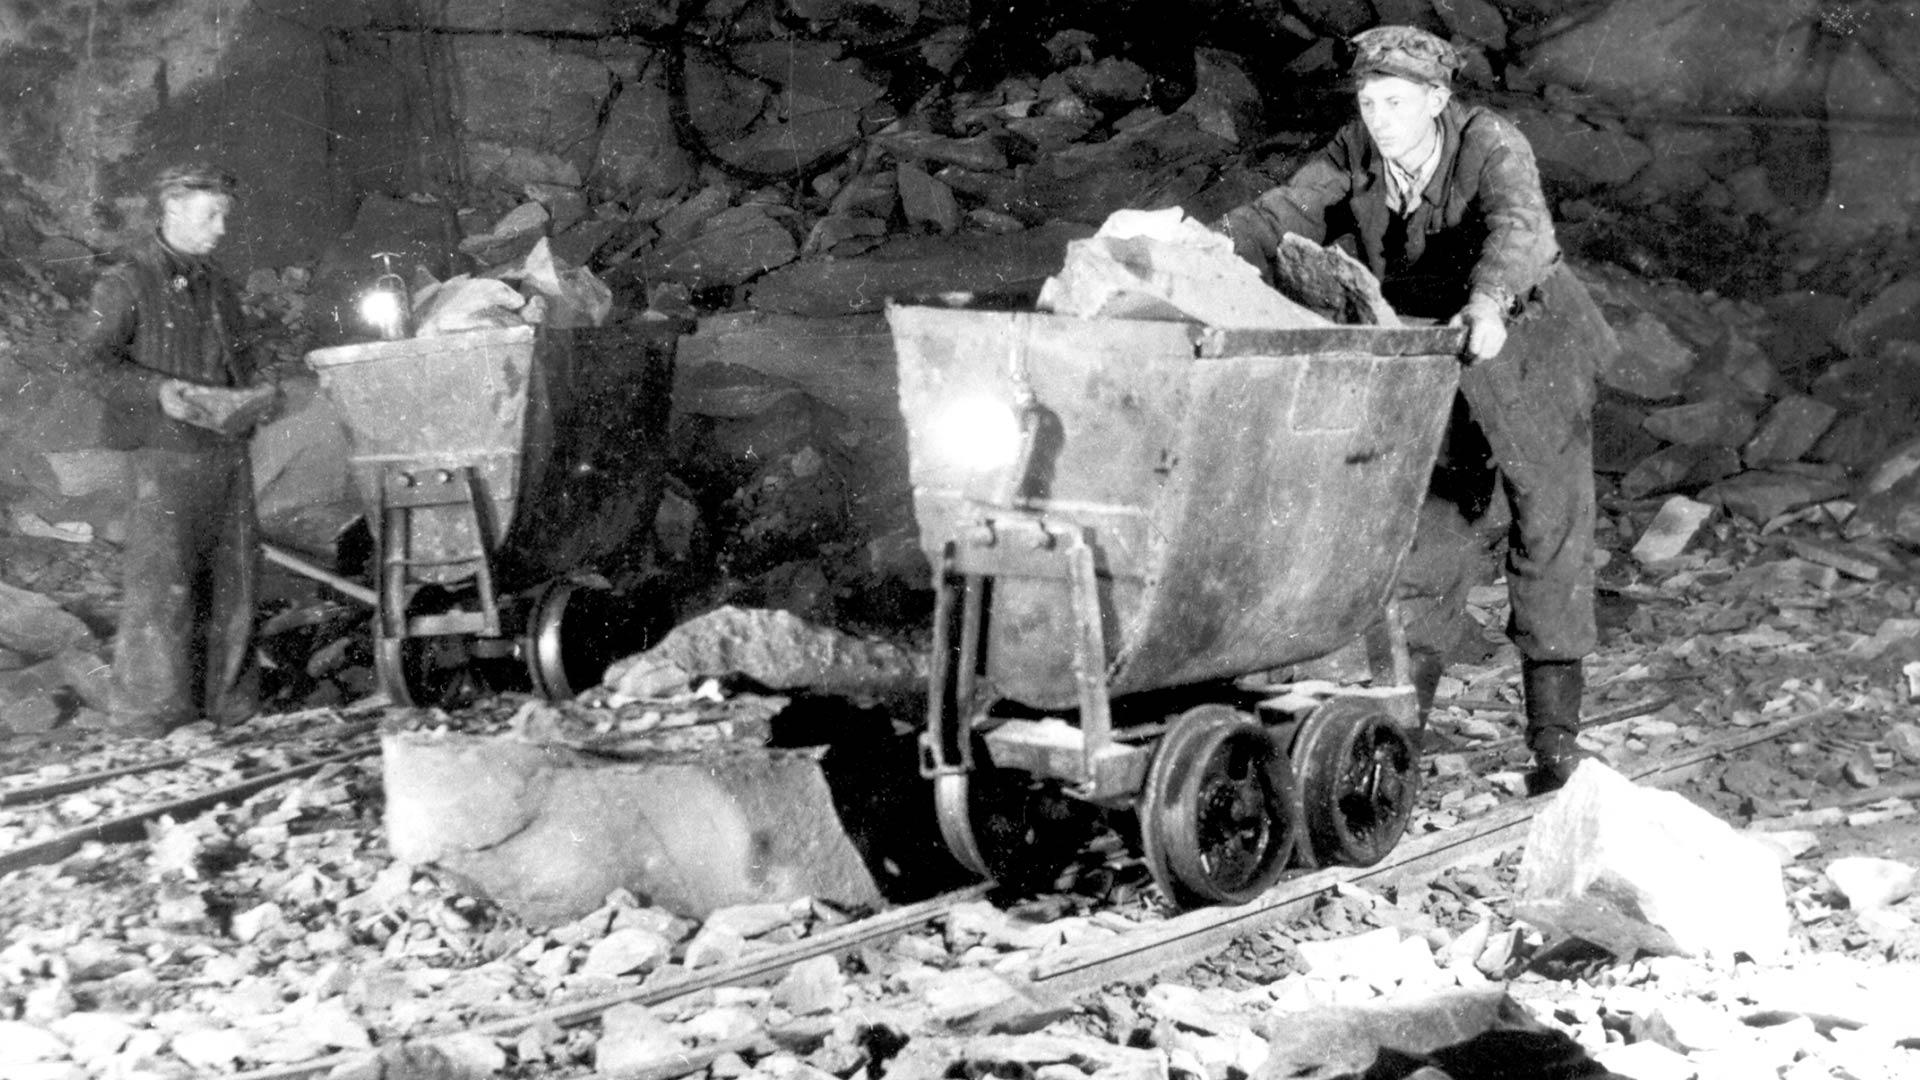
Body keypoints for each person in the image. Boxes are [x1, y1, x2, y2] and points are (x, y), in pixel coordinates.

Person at [1215, 25, 1618, 793]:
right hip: (1434, 354)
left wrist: (1490, 301)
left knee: (1549, 526)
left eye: (1397, 102)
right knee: (1430, 535)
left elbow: (1518, 227)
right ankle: (1398, 740)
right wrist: (1198, 240)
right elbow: (1280, 213)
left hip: (1527, 342)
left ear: (1436, 100)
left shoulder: (1489, 144)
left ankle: (1556, 743)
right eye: (1369, 101)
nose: (1380, 118)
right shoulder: (1353, 148)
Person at [79, 163, 280, 737]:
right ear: (170, 210)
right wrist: (156, 391)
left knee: (233, 584)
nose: (221, 229)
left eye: (224, 216)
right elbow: (91, 363)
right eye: (209, 216)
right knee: (162, 586)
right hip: (162, 455)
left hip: (225, 449)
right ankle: (150, 718)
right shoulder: (126, 281)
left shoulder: (217, 286)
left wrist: (259, 394)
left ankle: (230, 709)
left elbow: (239, 359)